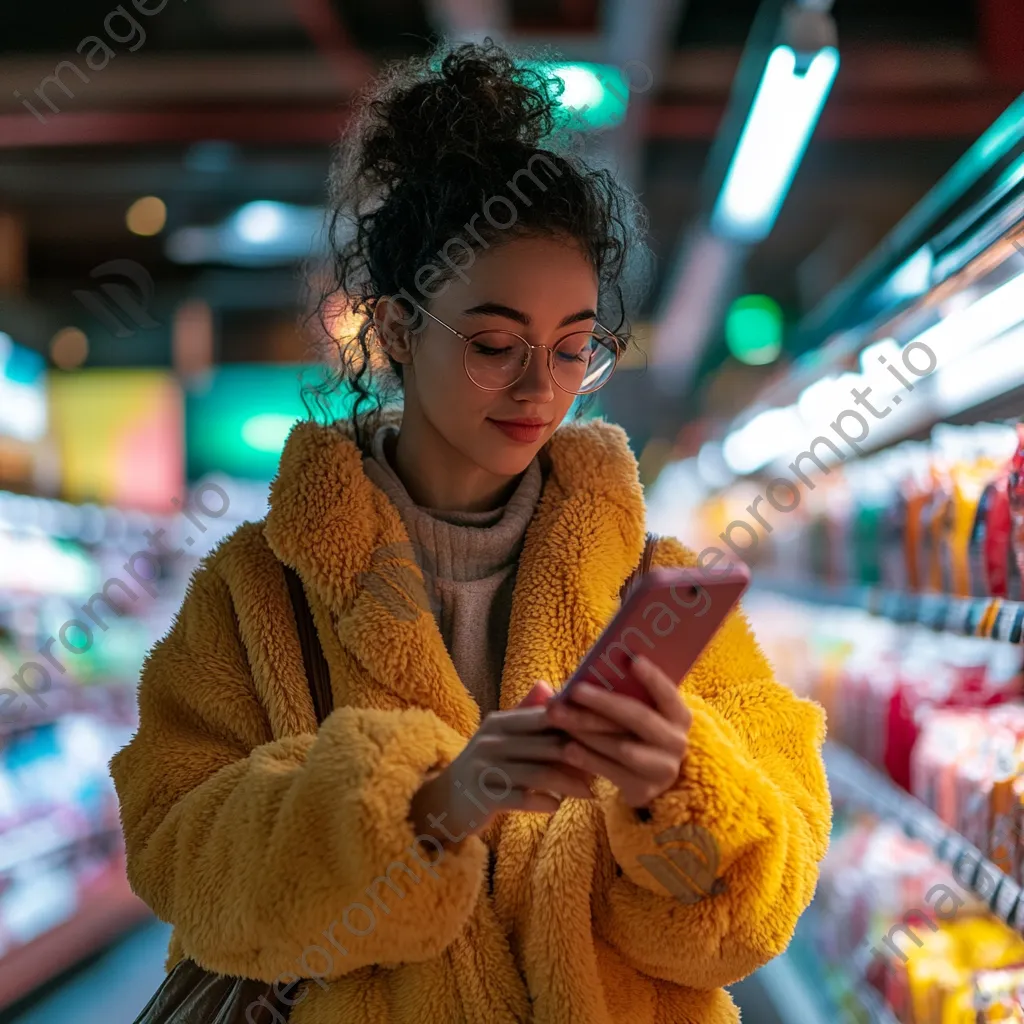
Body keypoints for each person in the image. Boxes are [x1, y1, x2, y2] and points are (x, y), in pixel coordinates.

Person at [110, 40, 831, 1024]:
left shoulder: (652, 593)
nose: (542, 387)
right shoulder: (256, 593)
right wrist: (431, 806)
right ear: (398, 330)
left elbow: (755, 919)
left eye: (575, 347)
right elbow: (178, 852)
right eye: (494, 344)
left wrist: (676, 787)